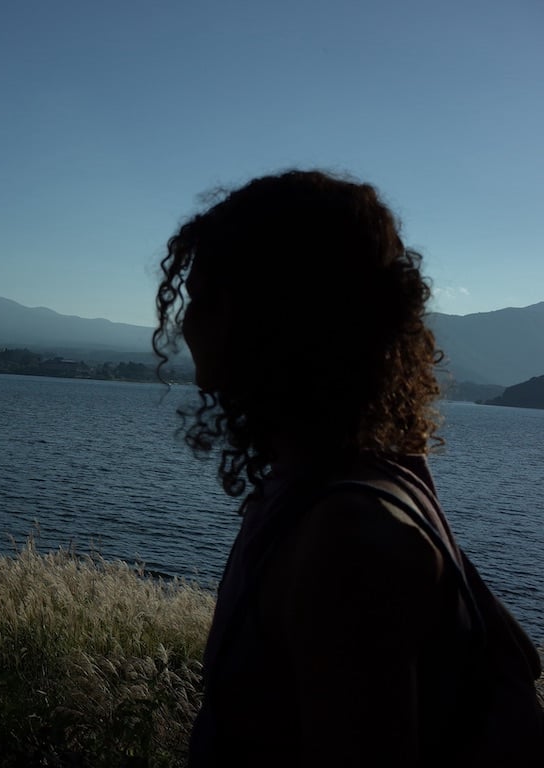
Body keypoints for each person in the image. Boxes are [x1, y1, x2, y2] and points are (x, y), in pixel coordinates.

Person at [150, 170, 543, 766]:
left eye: (208, 298)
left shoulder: (346, 542)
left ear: (277, 312)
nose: (187, 322)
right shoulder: (355, 477)